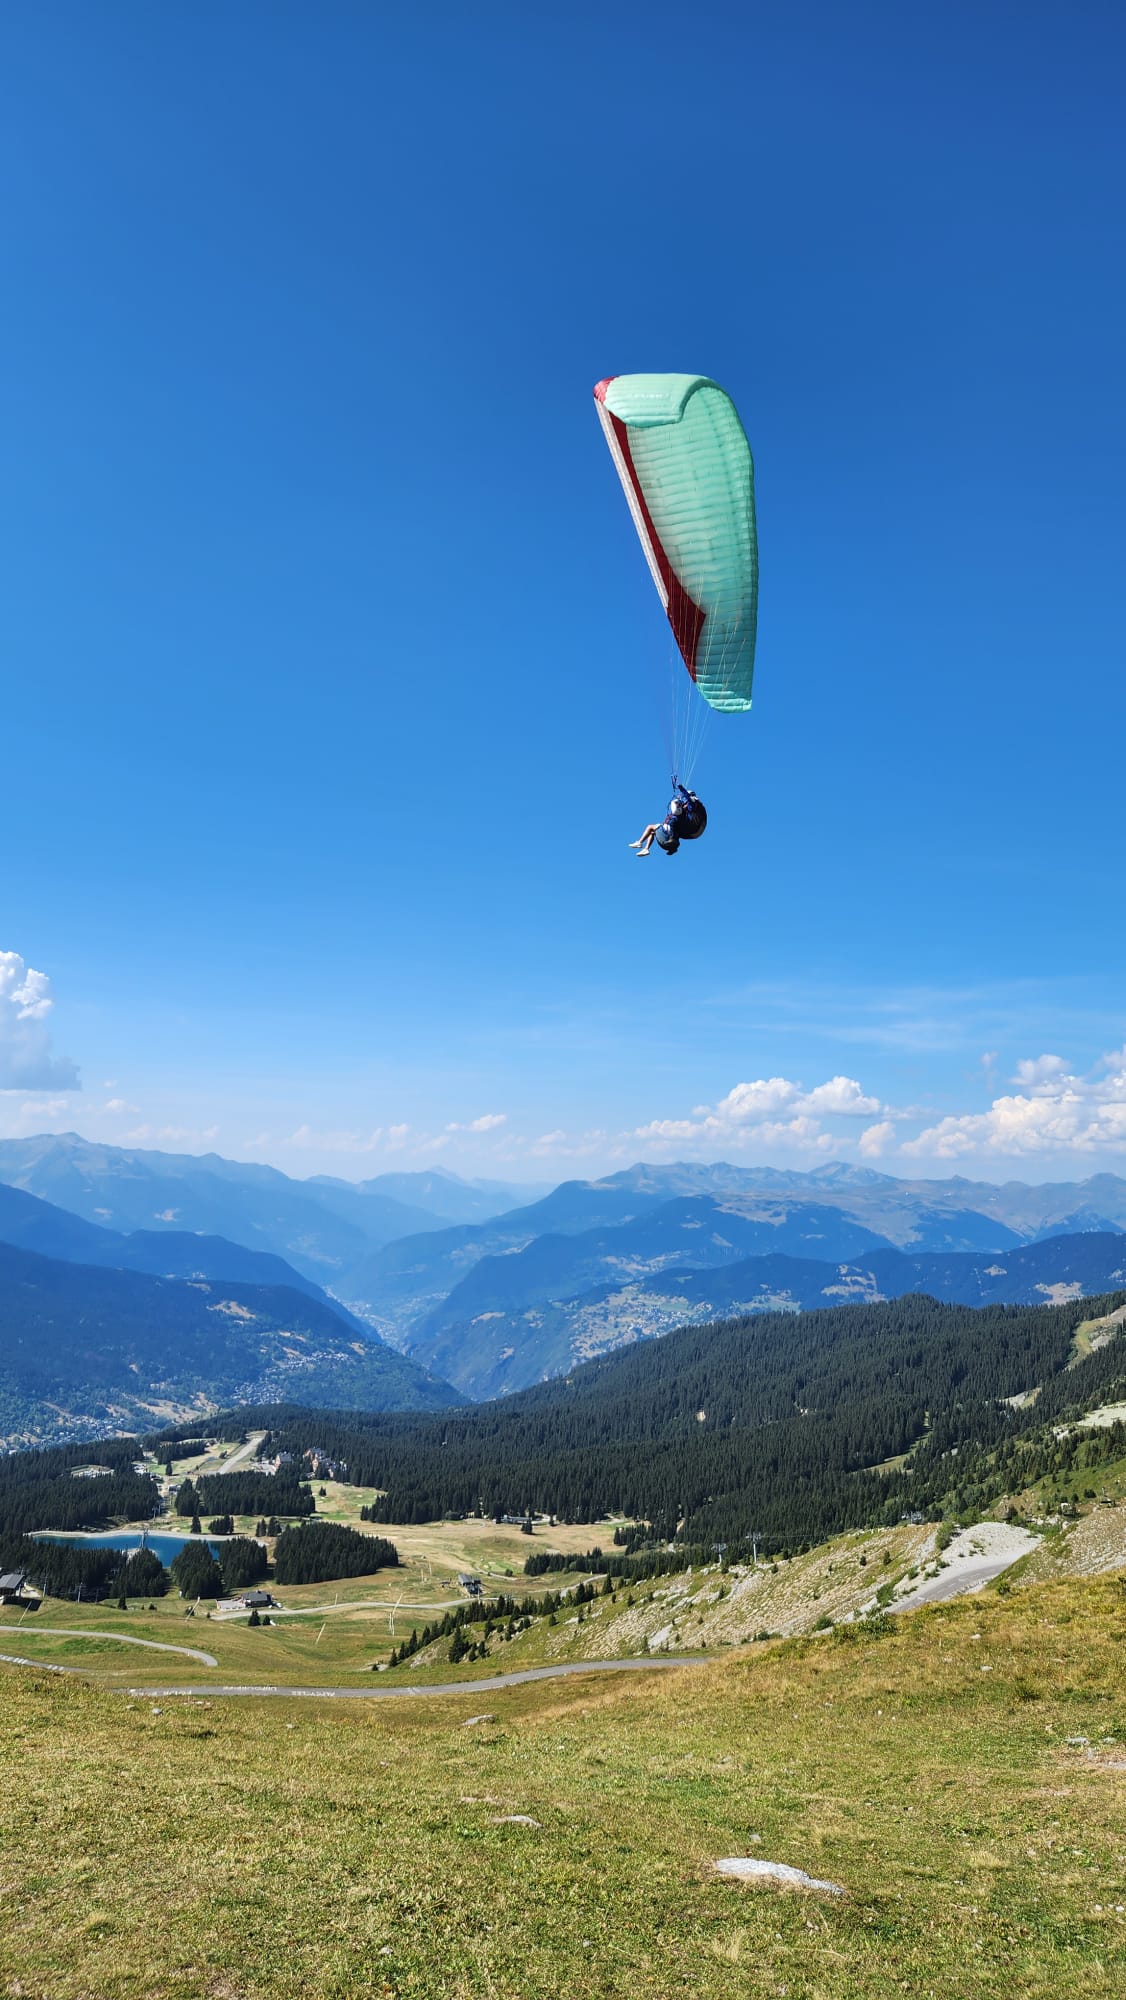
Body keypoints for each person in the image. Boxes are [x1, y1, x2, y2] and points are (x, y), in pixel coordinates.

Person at [630, 782, 708, 857]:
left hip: (691, 829)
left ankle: (640, 842)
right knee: (655, 831)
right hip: (693, 832)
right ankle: (648, 848)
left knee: (650, 826)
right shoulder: (694, 811)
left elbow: (689, 800)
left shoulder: (694, 802)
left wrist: (681, 789)